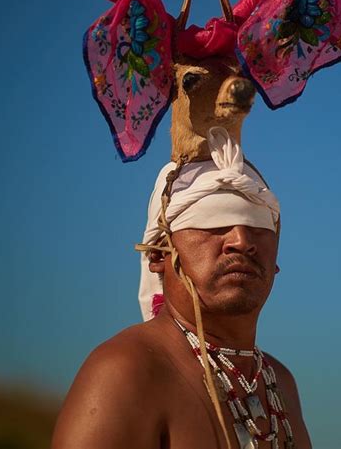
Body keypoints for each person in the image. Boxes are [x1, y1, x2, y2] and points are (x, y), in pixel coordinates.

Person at [51, 128, 312, 449]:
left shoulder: (279, 383)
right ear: (159, 254)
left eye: (257, 225)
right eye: (211, 223)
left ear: (276, 260)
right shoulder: (126, 371)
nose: (241, 242)